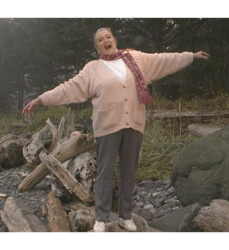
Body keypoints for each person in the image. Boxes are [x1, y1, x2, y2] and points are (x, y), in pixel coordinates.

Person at [22, 27, 210, 233]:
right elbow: (69, 88)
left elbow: (162, 60)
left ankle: (125, 216)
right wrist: (41, 99)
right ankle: (101, 218)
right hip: (107, 126)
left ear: (114, 39)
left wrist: (190, 57)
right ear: (97, 46)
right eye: (101, 39)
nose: (106, 40)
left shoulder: (134, 58)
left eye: (108, 37)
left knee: (128, 172)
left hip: (134, 124)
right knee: (104, 172)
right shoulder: (93, 68)